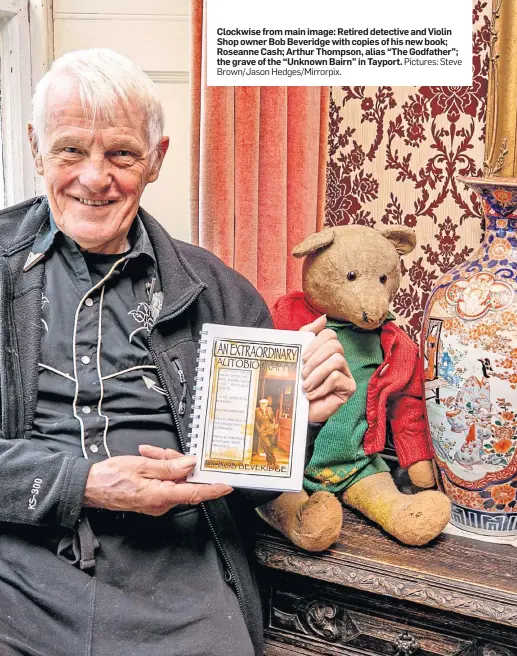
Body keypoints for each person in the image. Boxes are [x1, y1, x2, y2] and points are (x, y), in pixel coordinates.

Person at [0, 49, 355, 656]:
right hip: (17, 569)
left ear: (157, 159)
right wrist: (81, 483)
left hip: (181, 580)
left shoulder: (218, 293)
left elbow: (252, 486)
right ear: (37, 149)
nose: (94, 178)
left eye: (121, 154)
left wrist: (298, 419)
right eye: (69, 151)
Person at [254, 399, 278, 467]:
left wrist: (273, 426)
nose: (262, 405)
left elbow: (273, 418)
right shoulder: (257, 410)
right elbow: (255, 421)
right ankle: (274, 462)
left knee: (270, 446)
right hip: (262, 430)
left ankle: (269, 462)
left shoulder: (270, 409)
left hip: (270, 429)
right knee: (267, 445)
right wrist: (259, 430)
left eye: (264, 404)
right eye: (261, 403)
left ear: (267, 404)